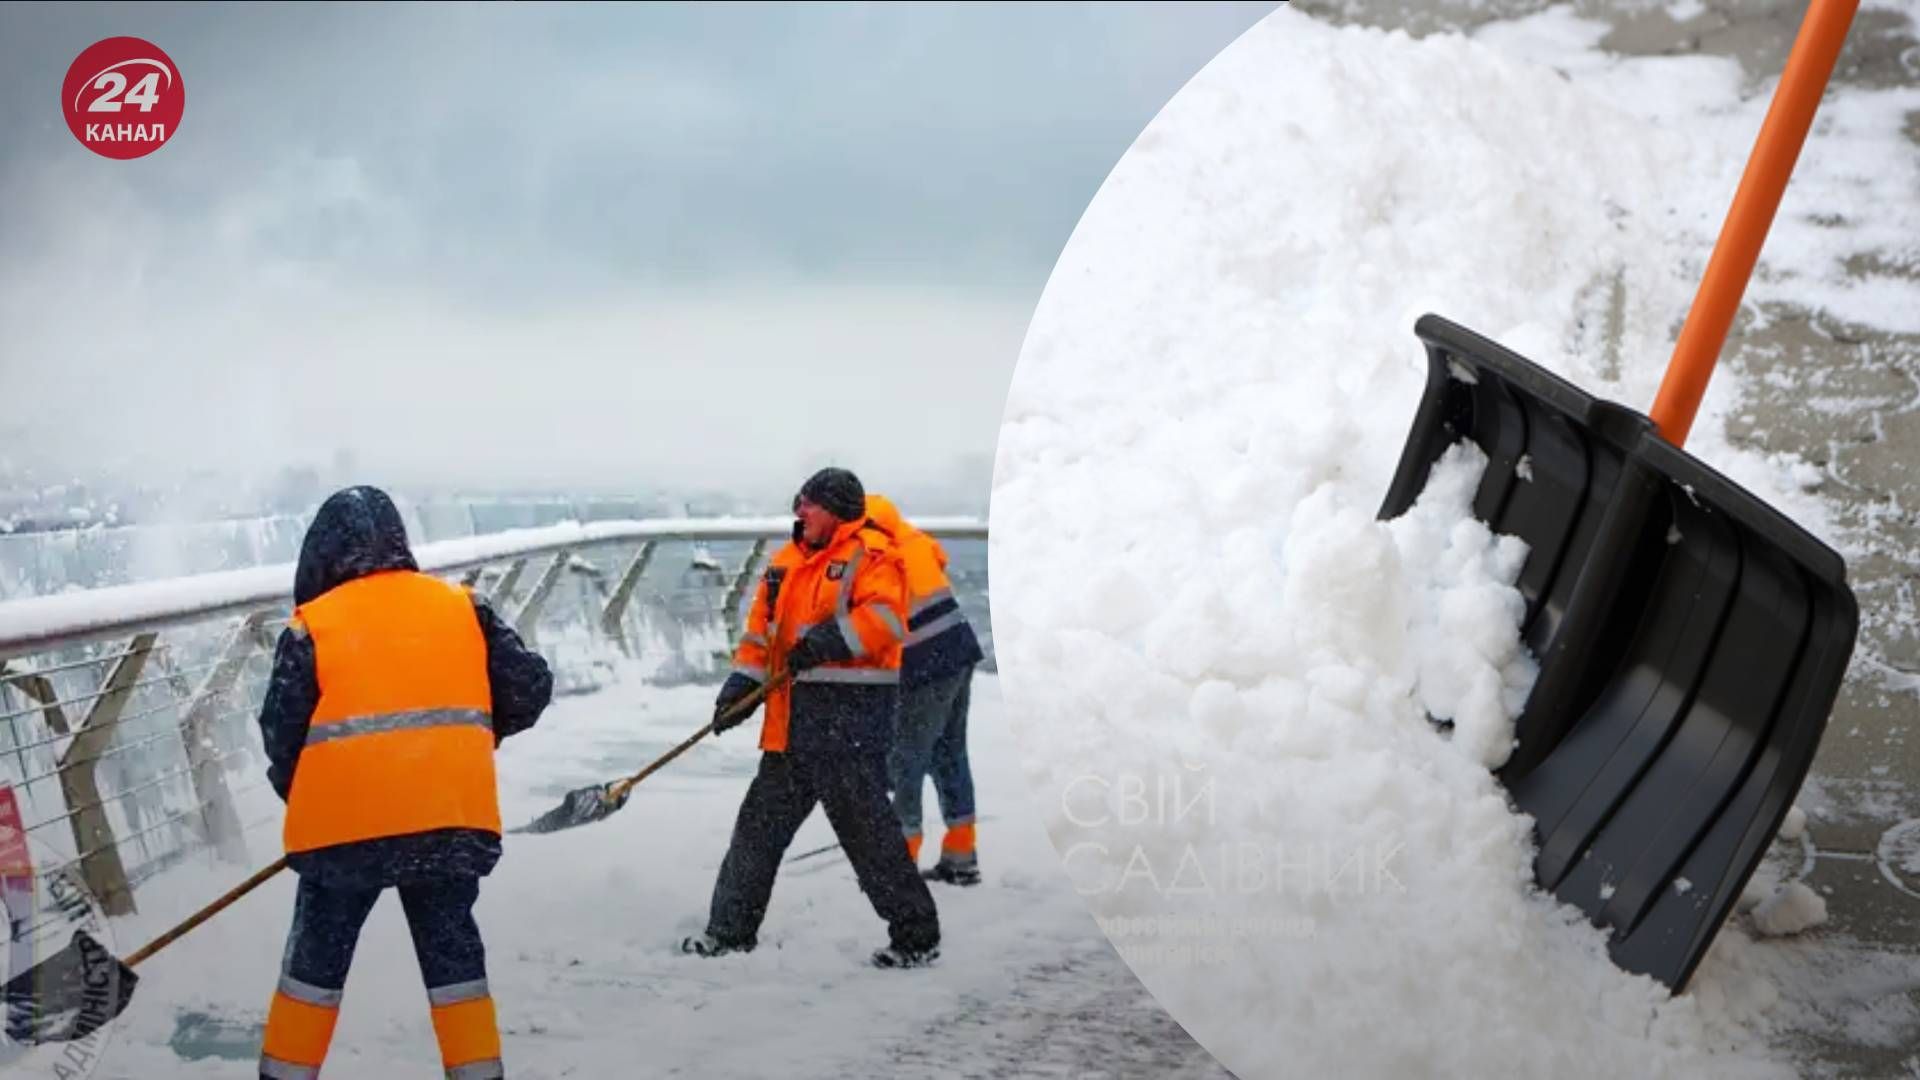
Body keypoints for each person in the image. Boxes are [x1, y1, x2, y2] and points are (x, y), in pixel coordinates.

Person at [256, 486, 553, 1080]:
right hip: (447, 819)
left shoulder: (312, 626)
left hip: (341, 832)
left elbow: (281, 733)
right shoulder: (463, 608)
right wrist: (463, 741)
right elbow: (529, 687)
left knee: (313, 971)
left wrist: (310, 793)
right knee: (455, 966)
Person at [682, 467, 941, 969]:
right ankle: (729, 933)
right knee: (757, 830)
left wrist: (828, 641)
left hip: (848, 727)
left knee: (869, 839)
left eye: (809, 503)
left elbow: (886, 619)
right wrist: (742, 686)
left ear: (837, 509)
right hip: (792, 726)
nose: (799, 511)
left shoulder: (873, 554)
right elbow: (760, 637)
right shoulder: (784, 565)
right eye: (798, 501)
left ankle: (916, 937)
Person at [863, 494, 986, 886]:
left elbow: (872, 622)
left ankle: (900, 860)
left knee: (905, 759)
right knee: (949, 752)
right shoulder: (912, 539)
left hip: (925, 665)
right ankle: (961, 852)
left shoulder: (874, 551)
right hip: (959, 650)